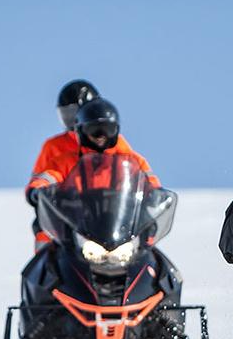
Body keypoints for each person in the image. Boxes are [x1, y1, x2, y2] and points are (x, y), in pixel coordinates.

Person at [25, 98, 160, 244]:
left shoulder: (133, 161)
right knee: (46, 237)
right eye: (94, 130)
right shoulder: (66, 162)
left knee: (153, 252)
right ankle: (42, 264)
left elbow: (150, 181)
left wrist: (155, 193)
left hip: (121, 230)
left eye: (108, 129)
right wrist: (38, 190)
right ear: (81, 131)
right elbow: (48, 176)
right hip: (77, 228)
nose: (101, 135)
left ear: (116, 130)